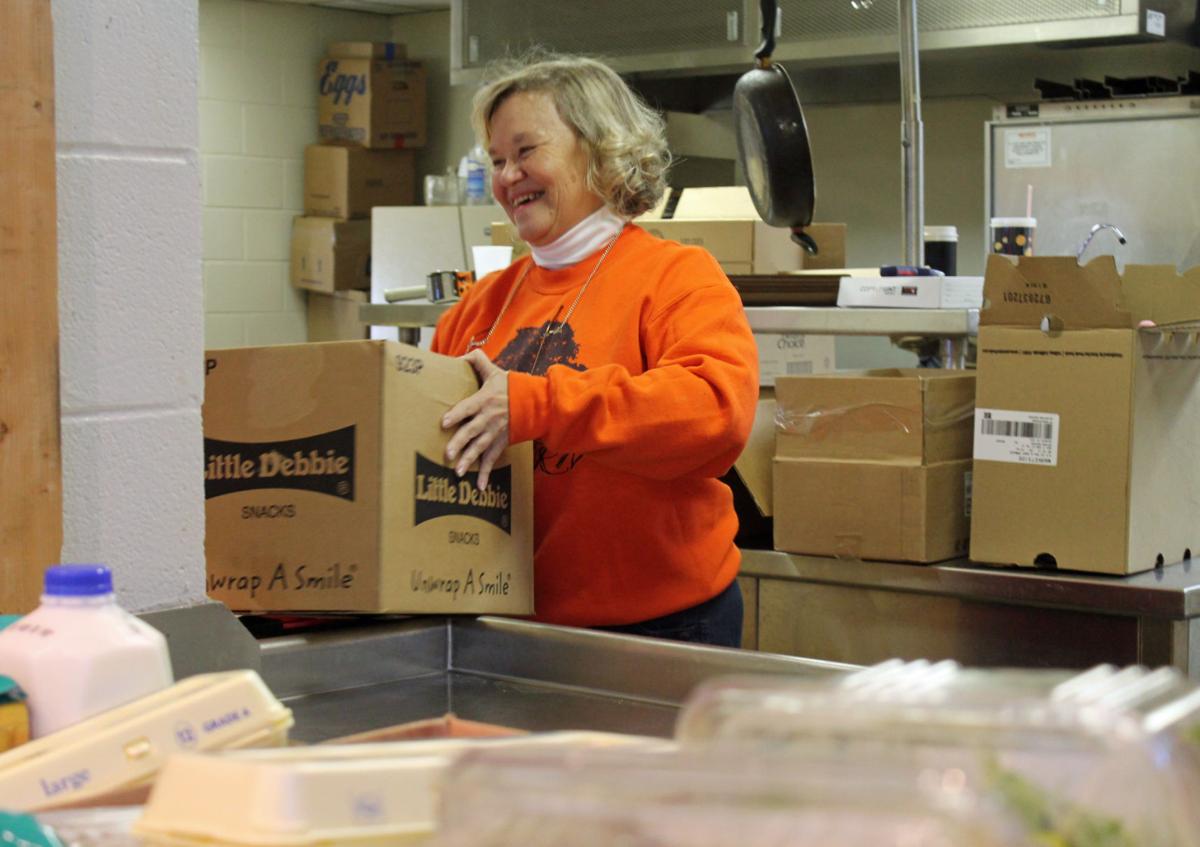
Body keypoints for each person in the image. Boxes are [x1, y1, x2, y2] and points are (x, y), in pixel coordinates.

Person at [431, 54, 758, 647]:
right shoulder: (480, 307)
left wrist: (537, 406)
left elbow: (714, 413)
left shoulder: (676, 277)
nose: (507, 177)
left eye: (527, 152)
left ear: (600, 148)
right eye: (498, 160)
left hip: (664, 625)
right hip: (503, 624)